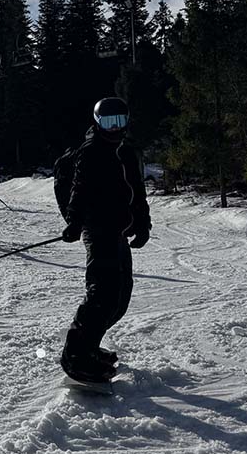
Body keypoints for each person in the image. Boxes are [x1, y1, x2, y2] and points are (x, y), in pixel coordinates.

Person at [59, 97, 151, 383]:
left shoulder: (126, 152)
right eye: (109, 122)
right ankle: (75, 355)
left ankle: (89, 346)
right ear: (98, 122)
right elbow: (79, 188)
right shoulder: (92, 151)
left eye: (120, 121)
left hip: (119, 232)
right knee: (103, 293)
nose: (115, 128)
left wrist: (143, 223)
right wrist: (75, 222)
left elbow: (137, 190)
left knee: (120, 297)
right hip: (99, 230)